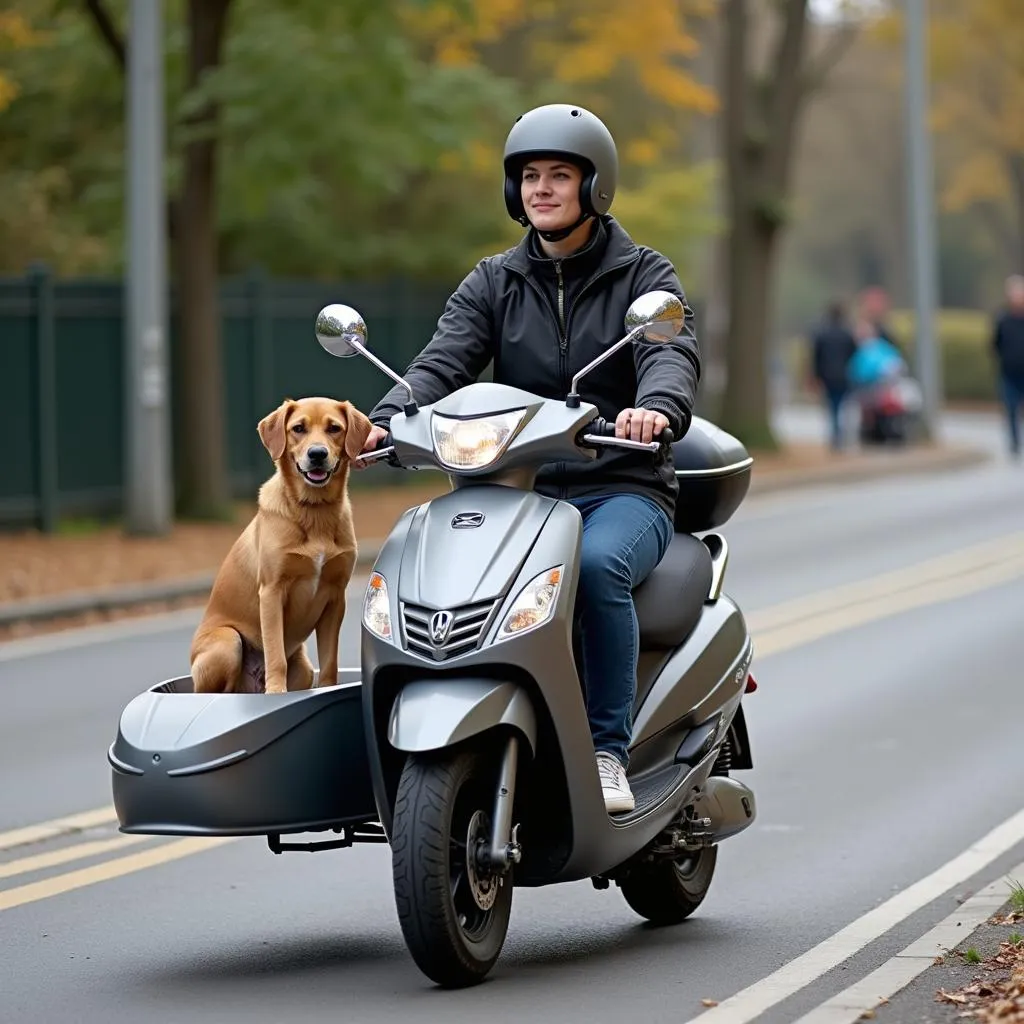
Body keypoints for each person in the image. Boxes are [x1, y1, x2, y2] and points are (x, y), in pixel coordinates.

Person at [361, 103, 701, 814]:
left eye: (559, 175)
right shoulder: (493, 280)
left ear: (594, 186)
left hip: (621, 488)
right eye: (529, 176)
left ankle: (607, 749)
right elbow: (440, 363)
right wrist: (389, 418)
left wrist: (655, 410)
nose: (541, 189)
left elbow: (668, 354)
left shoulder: (643, 274)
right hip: (516, 492)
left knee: (599, 565)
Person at [809, 300, 858, 450]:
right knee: (843, 406)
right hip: (844, 376)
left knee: (832, 407)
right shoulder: (847, 334)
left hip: (827, 376)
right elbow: (854, 355)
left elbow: (816, 357)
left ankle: (836, 436)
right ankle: (841, 436)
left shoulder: (821, 334)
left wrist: (816, 376)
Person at [991, 274, 1024, 457]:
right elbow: (995, 344)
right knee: (1011, 409)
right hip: (1009, 373)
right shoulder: (1003, 319)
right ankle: (1014, 444)